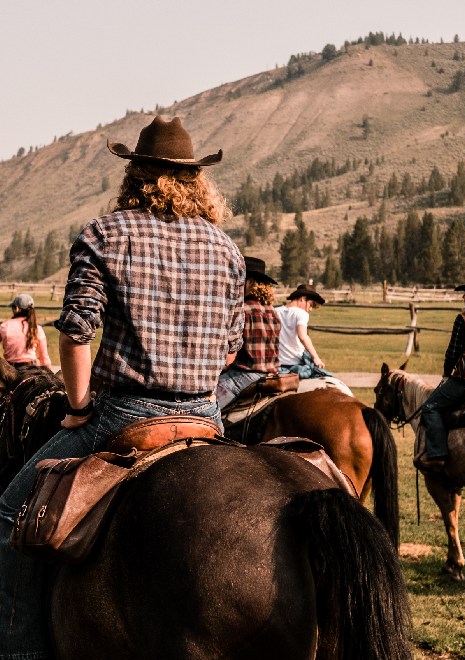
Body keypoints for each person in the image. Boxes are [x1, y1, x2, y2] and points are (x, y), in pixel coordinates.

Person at [0, 115, 245, 659]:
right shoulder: (226, 250)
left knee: (10, 514)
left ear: (135, 174)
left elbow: (78, 330)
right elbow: (231, 351)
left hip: (126, 417)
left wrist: (79, 406)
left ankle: (20, 652)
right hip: (205, 418)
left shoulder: (104, 234)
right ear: (195, 180)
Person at [416, 277, 465, 471]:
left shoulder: (464, 319)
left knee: (429, 407)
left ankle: (437, 454)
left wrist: (446, 374)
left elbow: (453, 352)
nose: (463, 296)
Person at [216, 256, 280, 408]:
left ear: (249, 282)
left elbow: (227, 354)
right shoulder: (273, 311)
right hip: (272, 374)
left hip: (244, 375)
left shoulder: (242, 310)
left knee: (205, 407)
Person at [277, 283, 332, 378]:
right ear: (303, 298)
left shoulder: (275, 311)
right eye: (310, 305)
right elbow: (302, 336)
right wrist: (316, 357)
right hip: (295, 362)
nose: (310, 309)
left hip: (278, 363)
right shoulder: (301, 314)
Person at [0, 293, 52, 370]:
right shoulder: (36, 328)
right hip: (32, 368)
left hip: (10, 369)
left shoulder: (4, 326)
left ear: (17, 308)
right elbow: (44, 357)